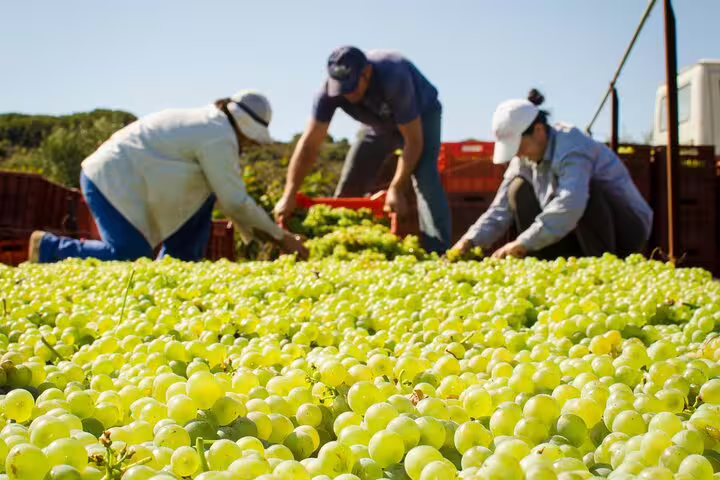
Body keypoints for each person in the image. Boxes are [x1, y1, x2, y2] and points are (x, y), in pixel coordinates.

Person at [28, 91, 308, 263]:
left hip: (123, 178)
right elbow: (235, 201)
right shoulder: (218, 136)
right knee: (129, 256)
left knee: (204, 197)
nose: (250, 146)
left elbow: (223, 196)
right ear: (247, 129)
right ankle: (50, 249)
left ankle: (179, 268)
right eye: (251, 140)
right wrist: (281, 238)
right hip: (109, 180)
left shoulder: (211, 125)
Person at [273, 46, 452, 254]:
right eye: (341, 88)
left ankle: (439, 252)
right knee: (351, 181)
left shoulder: (394, 76)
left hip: (420, 116)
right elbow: (309, 145)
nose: (347, 94)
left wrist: (396, 188)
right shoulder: (328, 93)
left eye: (352, 87)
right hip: (376, 124)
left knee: (425, 177)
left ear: (367, 72)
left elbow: (413, 142)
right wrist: (289, 193)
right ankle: (342, 247)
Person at [452, 89, 653, 260]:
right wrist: (469, 241)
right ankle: (548, 266)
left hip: (626, 232)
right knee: (517, 188)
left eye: (519, 146)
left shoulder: (572, 148)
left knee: (588, 190)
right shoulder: (523, 159)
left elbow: (571, 203)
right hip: (574, 233)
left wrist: (523, 242)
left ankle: (603, 269)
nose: (518, 153)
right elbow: (500, 209)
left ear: (539, 130)